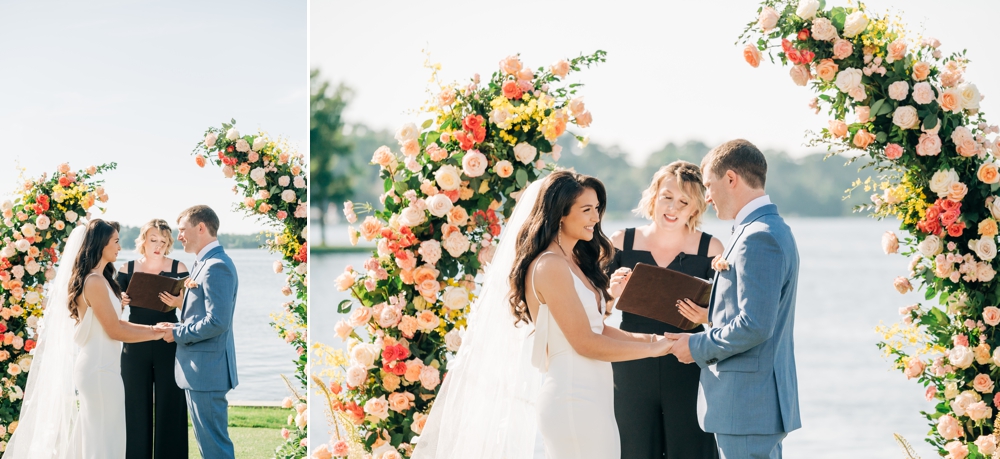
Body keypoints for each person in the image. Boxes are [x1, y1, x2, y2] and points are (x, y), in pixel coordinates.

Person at [412, 171, 675, 459]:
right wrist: (653, 351)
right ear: (560, 215)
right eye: (586, 210)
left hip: (594, 399)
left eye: (597, 209)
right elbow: (585, 343)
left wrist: (654, 339)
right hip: (573, 400)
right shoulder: (550, 266)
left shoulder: (572, 262)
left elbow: (597, 329)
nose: (595, 218)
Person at [667, 139, 801, 459]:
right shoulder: (765, 228)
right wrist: (710, 315)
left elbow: (755, 325)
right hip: (754, 404)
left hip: (747, 405)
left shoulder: (758, 237)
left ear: (731, 178)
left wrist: (695, 346)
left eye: (709, 185)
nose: (707, 196)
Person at [6, 219, 168, 459]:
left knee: (101, 437)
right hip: (99, 370)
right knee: (102, 441)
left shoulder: (101, 280)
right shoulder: (93, 282)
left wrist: (155, 328)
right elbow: (115, 331)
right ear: (101, 245)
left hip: (104, 368)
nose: (119, 247)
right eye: (115, 241)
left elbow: (118, 323)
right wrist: (157, 334)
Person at [606, 160, 724, 459]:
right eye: (667, 197)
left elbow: (731, 317)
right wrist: (611, 292)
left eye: (683, 202)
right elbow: (595, 311)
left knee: (693, 451)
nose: (673, 208)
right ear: (654, 196)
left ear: (695, 208)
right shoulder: (622, 241)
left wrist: (705, 316)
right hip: (631, 365)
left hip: (687, 367)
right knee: (632, 451)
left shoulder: (712, 249)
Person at [155, 205, 239, 459]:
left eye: (182, 230)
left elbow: (217, 322)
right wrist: (181, 307)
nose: (178, 236)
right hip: (201, 370)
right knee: (208, 445)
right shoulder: (205, 263)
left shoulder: (216, 266)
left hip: (207, 371)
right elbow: (204, 312)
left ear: (200, 227)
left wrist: (177, 332)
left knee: (215, 447)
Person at [116, 219, 189, 459]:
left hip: (168, 342)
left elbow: (193, 310)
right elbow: (111, 310)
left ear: (168, 243)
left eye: (163, 241)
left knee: (171, 405)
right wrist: (121, 301)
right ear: (143, 241)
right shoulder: (127, 269)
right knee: (135, 406)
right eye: (153, 240)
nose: (158, 246)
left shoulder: (179, 268)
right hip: (134, 344)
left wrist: (178, 302)